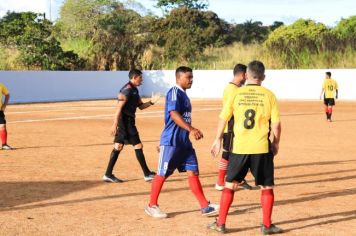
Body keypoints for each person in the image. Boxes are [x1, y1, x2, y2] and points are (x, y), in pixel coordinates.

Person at [208, 60, 282, 234]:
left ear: (247, 75)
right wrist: (276, 143)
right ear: (263, 77)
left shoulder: (237, 93)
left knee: (230, 185)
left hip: (239, 147)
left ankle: (220, 224)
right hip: (261, 147)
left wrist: (217, 139)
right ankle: (266, 225)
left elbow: (223, 118)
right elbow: (277, 125)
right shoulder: (269, 95)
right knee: (266, 187)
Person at [144, 66, 219, 218]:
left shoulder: (184, 95)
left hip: (184, 143)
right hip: (171, 141)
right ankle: (152, 205)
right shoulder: (174, 92)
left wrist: (188, 132)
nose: (191, 80)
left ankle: (205, 206)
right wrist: (191, 129)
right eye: (188, 77)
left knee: (193, 172)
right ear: (179, 78)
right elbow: (172, 114)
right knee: (162, 173)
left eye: (192, 77)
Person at [103, 69, 160, 183]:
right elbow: (118, 108)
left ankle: (108, 174)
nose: (142, 79)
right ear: (134, 77)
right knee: (138, 146)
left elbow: (141, 106)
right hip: (125, 122)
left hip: (127, 121)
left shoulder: (134, 90)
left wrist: (152, 102)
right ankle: (147, 174)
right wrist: (114, 124)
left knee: (118, 146)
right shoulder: (127, 90)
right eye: (140, 77)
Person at [215, 63, 252, 191]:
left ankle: (236, 179)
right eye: (246, 75)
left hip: (233, 127)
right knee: (228, 154)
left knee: (231, 154)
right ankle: (221, 181)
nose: (247, 78)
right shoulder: (233, 89)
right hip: (231, 127)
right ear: (242, 75)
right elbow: (228, 111)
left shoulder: (232, 88)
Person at [0, 83, 12, 150]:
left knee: (2, 126)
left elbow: (7, 94)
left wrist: (4, 105)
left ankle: (4, 144)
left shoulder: (1, 85)